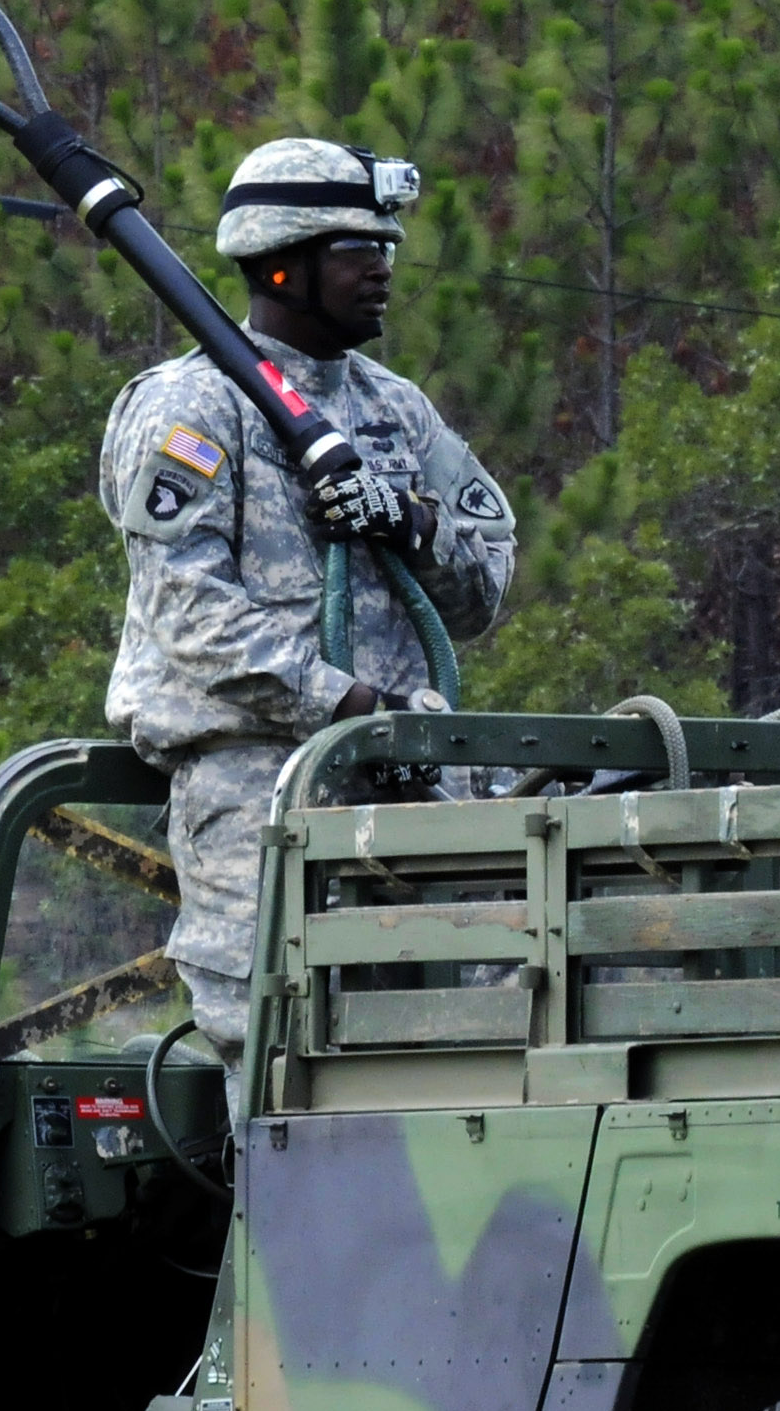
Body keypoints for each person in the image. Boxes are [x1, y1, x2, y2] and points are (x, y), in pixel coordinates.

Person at [98, 137, 518, 1103]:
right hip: (261, 793)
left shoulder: (397, 413)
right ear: (281, 263)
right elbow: (191, 616)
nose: (382, 270)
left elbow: (484, 583)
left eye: (388, 249)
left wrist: (408, 525)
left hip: (405, 783)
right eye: (354, 250)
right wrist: (347, 703)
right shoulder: (194, 409)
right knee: (288, 1065)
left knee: (444, 1042)